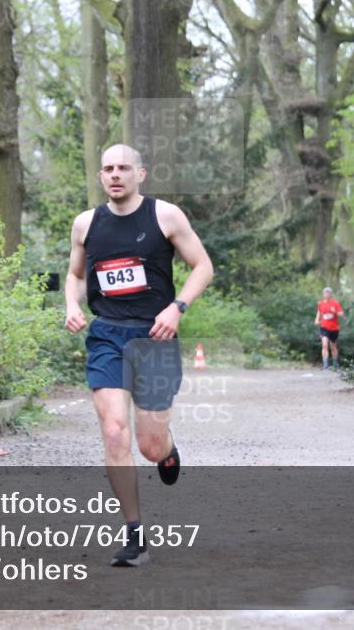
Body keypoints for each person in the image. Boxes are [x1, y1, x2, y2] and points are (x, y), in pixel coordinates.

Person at [64, 143, 214, 566]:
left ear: (140, 174)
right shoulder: (85, 224)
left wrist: (177, 307)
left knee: (148, 445)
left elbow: (202, 266)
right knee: (114, 432)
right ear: (100, 176)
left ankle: (166, 449)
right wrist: (72, 306)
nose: (115, 174)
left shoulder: (164, 216)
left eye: (123, 168)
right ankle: (135, 534)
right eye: (108, 168)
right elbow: (75, 275)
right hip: (107, 336)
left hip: (155, 336)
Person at [315, 287, 344, 370]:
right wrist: (317, 319)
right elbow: (319, 312)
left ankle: (335, 364)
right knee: (324, 345)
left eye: (328, 293)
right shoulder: (320, 303)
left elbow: (342, 314)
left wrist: (335, 312)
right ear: (323, 294)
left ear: (331, 294)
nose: (327, 294)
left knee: (333, 347)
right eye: (325, 293)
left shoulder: (335, 303)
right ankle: (325, 364)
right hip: (324, 327)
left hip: (334, 328)